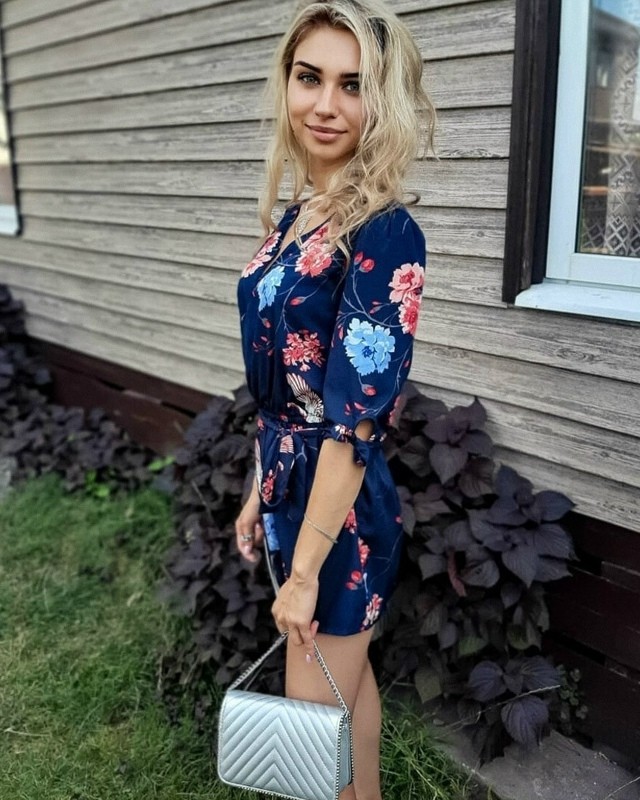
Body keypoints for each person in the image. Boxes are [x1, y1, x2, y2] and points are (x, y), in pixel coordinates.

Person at [234, 1, 435, 797]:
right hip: (294, 492)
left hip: (340, 515)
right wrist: (259, 489)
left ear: (383, 101)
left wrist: (306, 572)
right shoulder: (296, 219)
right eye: (308, 77)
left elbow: (354, 424)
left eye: (353, 85)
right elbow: (283, 391)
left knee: (307, 744)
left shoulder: (382, 232)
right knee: (345, 703)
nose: (325, 104)